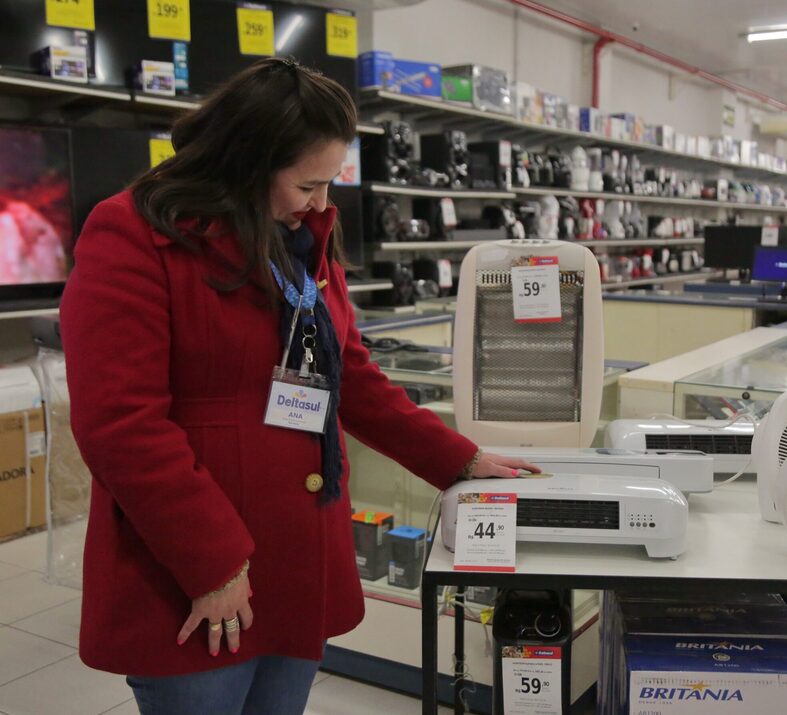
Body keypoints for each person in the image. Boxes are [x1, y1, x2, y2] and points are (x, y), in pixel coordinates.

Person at [60, 57, 538, 715]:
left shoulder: (302, 235)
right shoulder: (135, 233)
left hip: (297, 553)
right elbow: (120, 422)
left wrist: (457, 459)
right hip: (194, 566)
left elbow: (351, 376)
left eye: (330, 183)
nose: (322, 202)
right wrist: (212, 562)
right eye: (309, 183)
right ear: (245, 163)